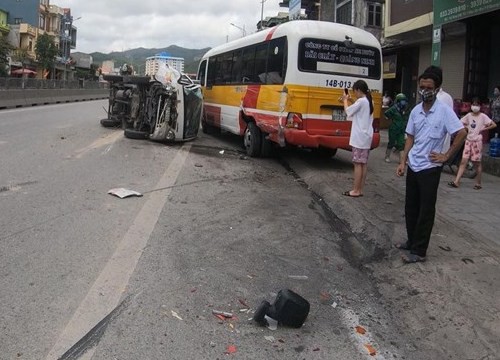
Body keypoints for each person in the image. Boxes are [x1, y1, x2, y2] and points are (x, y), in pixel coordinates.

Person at [395, 69, 467, 264]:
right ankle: (411, 241)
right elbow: (410, 137)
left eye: (429, 88)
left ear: (437, 89)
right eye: (422, 87)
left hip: (430, 168)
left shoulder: (444, 111)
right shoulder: (416, 111)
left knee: (426, 210)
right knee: (411, 207)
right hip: (414, 165)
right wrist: (403, 161)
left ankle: (419, 251)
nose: (424, 91)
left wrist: (446, 156)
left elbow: (461, 132)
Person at [448, 97, 497, 189]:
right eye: (473, 104)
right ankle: (456, 181)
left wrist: (483, 128)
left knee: (476, 162)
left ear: (480, 106)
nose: (475, 107)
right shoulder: (469, 116)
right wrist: (466, 127)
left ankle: (478, 183)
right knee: (463, 161)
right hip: (468, 140)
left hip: (477, 142)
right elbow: (460, 122)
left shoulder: (483, 116)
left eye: (477, 105)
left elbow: (494, 124)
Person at [342, 79, 374, 198]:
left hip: (359, 137)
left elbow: (348, 111)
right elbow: (358, 107)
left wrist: (345, 100)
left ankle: (355, 190)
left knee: (357, 164)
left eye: (354, 91)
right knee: (363, 163)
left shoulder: (361, 101)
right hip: (366, 137)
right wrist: (350, 99)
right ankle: (360, 189)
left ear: (359, 90)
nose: (354, 93)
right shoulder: (369, 100)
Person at [384, 93, 409, 163]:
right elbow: (386, 114)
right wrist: (391, 119)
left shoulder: (404, 110)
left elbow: (406, 119)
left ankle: (402, 160)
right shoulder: (393, 109)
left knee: (401, 144)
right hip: (393, 129)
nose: (403, 102)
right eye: (402, 100)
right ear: (398, 101)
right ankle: (387, 156)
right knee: (391, 142)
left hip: (401, 129)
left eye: (404, 100)